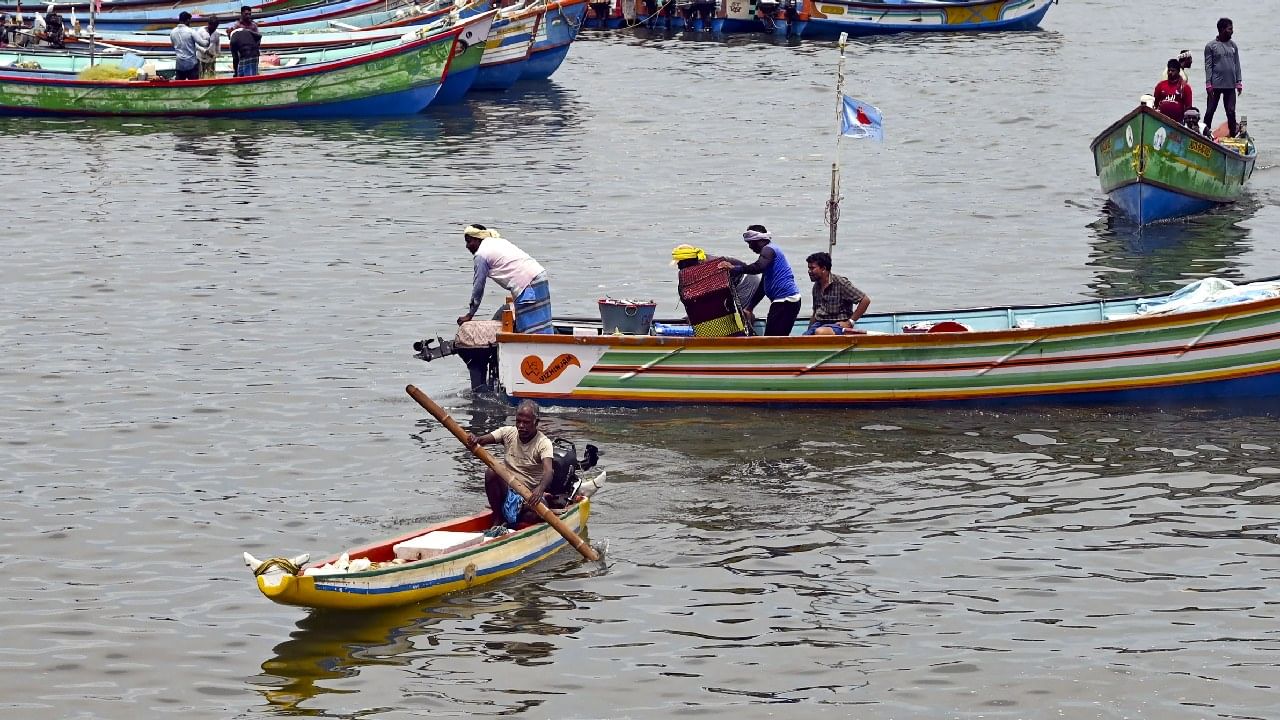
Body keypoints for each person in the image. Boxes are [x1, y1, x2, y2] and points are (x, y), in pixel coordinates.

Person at [465, 400, 554, 529]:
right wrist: (474, 439)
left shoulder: (543, 443)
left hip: (528, 496)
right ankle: (498, 517)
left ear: (536, 422)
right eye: (518, 421)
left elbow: (548, 472)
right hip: (507, 490)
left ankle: (516, 516)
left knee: (535, 515)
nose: (521, 426)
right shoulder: (508, 432)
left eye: (526, 422)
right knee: (492, 472)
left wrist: (540, 490)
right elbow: (481, 440)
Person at [457, 224, 554, 335]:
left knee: (528, 327)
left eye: (469, 241)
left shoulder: (481, 255)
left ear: (478, 239)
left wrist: (470, 315)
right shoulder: (497, 242)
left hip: (527, 284)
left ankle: (532, 350)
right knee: (543, 320)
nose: (467, 246)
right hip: (539, 275)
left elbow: (478, 287)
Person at [718, 225, 802, 336]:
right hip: (782, 302)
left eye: (750, 243)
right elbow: (763, 287)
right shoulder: (768, 255)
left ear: (759, 240)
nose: (750, 247)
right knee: (773, 337)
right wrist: (749, 308)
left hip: (786, 301)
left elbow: (758, 268)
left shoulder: (769, 250)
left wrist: (735, 268)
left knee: (773, 339)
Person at [671, 243, 762, 331]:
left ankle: (749, 334)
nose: (678, 266)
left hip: (745, 280)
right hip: (731, 283)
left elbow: (715, 295)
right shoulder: (695, 266)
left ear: (687, 261)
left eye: (679, 263)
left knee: (742, 312)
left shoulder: (708, 265)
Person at [803, 251, 870, 335]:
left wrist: (850, 322)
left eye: (812, 268)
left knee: (820, 332)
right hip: (820, 323)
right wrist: (808, 331)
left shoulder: (841, 284)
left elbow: (865, 300)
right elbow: (815, 312)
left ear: (823, 269)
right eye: (809, 268)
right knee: (805, 337)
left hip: (837, 324)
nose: (809, 271)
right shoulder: (816, 286)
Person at [1203, 17, 1242, 138]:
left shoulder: (1233, 46)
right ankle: (1204, 134)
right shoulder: (1211, 46)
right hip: (1215, 86)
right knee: (1210, 111)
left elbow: (1237, 64)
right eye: (1230, 29)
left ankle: (1232, 136)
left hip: (1230, 86)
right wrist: (1208, 84)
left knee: (1231, 112)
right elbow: (1208, 66)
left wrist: (1239, 82)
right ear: (1222, 29)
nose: (1232, 31)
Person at [1152, 58, 1192, 123]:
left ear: (1178, 71)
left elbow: (1188, 108)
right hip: (1161, 120)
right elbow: (1155, 103)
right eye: (1169, 70)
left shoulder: (1185, 87)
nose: (1170, 72)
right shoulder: (1160, 85)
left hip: (1178, 123)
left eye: (1173, 71)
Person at [228, 6, 261, 77]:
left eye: (249, 14)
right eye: (246, 14)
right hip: (239, 50)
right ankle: (236, 73)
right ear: (242, 14)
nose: (248, 16)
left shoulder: (253, 25)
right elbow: (232, 38)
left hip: (251, 49)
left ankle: (254, 72)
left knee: (255, 58)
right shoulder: (237, 25)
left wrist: (256, 47)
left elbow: (258, 37)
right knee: (236, 59)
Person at [169, 12, 199, 81]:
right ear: (188, 20)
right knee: (194, 86)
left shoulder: (172, 32)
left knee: (179, 86)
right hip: (191, 64)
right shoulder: (191, 31)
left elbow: (173, 45)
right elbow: (203, 43)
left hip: (179, 64)